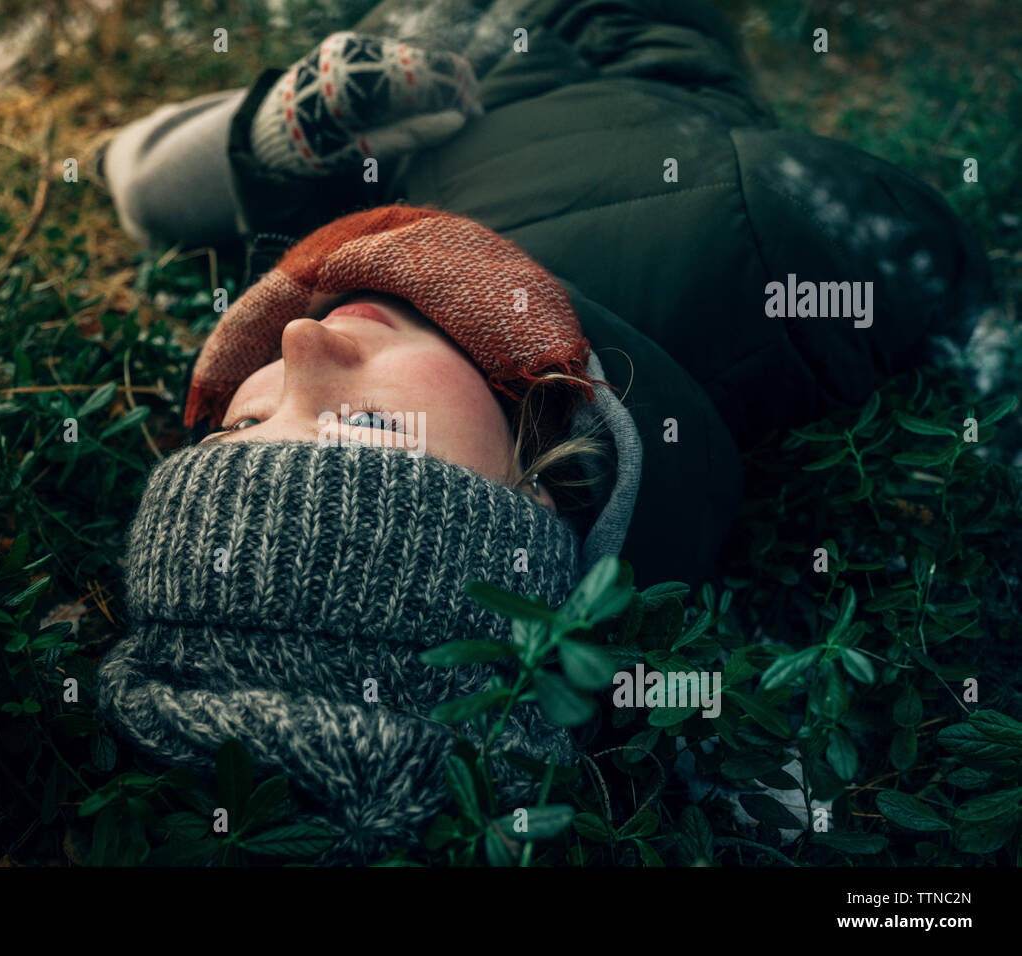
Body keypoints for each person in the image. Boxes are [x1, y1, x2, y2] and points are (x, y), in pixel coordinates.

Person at [93, 0, 995, 864]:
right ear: (533, 498)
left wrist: (296, 127)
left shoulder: (347, 279)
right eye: (368, 428)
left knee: (145, 178)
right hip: (598, 29)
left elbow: (133, 171)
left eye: (245, 422)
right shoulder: (750, 245)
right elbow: (910, 241)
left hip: (402, 58)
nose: (299, 344)